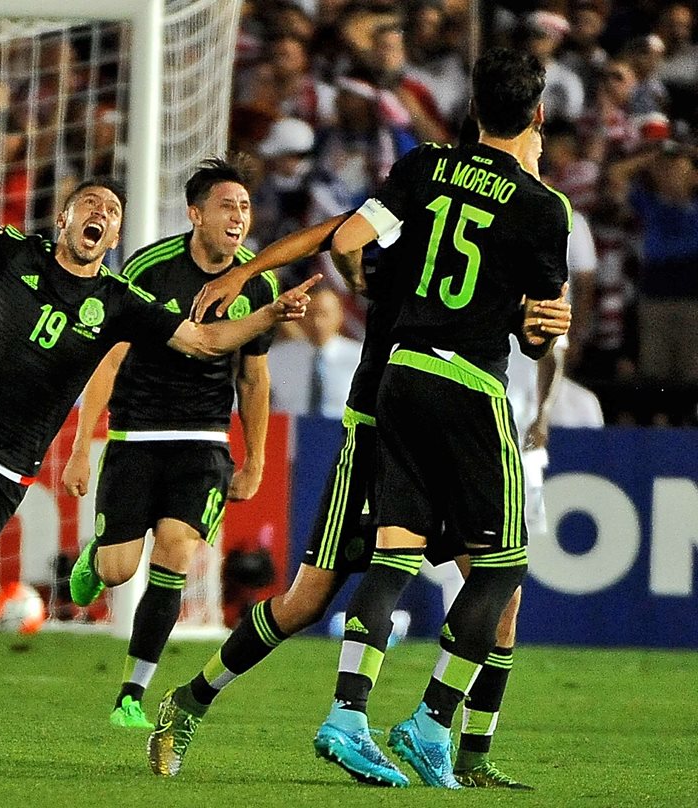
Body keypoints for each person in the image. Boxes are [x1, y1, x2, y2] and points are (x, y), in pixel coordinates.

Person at [0, 71, 319, 731]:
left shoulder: (121, 302)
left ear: (117, 237)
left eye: (113, 212)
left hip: (12, 465)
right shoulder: (20, 255)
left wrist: (268, 312)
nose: (102, 214)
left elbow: (208, 340)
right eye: (90, 204)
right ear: (63, 217)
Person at [153, 191, 570, 787]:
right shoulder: (414, 233)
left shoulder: (480, 249)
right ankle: (191, 702)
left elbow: (521, 325)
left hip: (447, 431)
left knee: (501, 597)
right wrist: (264, 269)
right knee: (308, 600)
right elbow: (338, 238)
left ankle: (472, 755)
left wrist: (541, 323)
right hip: (378, 430)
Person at [311, 47, 569, 788]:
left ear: (473, 108)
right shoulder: (541, 206)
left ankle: (347, 715)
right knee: (504, 565)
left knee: (396, 546)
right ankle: (430, 722)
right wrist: (528, 325)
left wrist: (375, 297)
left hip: (398, 374)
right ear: (538, 113)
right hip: (467, 381)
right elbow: (538, 330)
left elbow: (348, 244)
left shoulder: (425, 164)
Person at [60, 157, 283, 730]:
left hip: (205, 439)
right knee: (115, 571)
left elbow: (253, 377)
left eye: (245, 207)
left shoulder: (258, 282)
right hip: (136, 432)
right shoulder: (150, 268)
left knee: (177, 552)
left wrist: (254, 457)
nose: (238, 218)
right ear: (195, 214)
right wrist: (83, 442)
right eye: (226, 206)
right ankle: (96, 556)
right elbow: (110, 354)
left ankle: (132, 693)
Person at [268, 288, 362, 418]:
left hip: (341, 433)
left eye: (324, 314)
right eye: (310, 314)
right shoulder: (275, 358)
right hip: (291, 433)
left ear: (340, 315)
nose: (317, 323)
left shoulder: (360, 358)